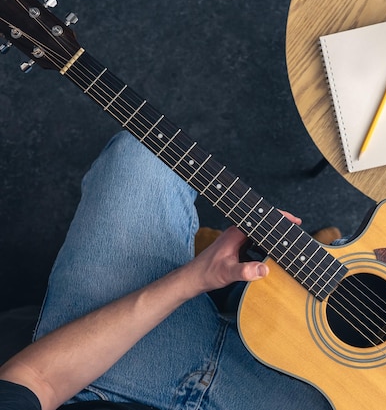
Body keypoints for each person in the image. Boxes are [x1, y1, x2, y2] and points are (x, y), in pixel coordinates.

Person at [0, 131, 334, 410]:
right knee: (361, 309)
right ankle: (268, 283)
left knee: (143, 154)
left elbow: (36, 379)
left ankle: (234, 275)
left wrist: (196, 277)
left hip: (102, 378)